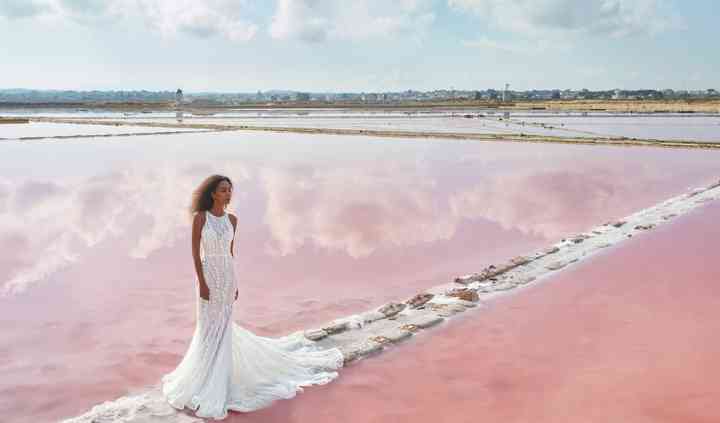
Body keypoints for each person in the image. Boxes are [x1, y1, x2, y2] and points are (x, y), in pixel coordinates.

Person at [161, 174, 344, 419]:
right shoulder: (200, 219)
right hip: (208, 276)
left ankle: (221, 378)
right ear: (213, 193)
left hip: (227, 276)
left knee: (224, 327)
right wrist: (202, 283)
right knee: (207, 327)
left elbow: (230, 253)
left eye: (230, 190)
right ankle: (205, 376)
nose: (228, 194)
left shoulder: (232, 220)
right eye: (223, 190)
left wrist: (235, 283)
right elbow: (196, 254)